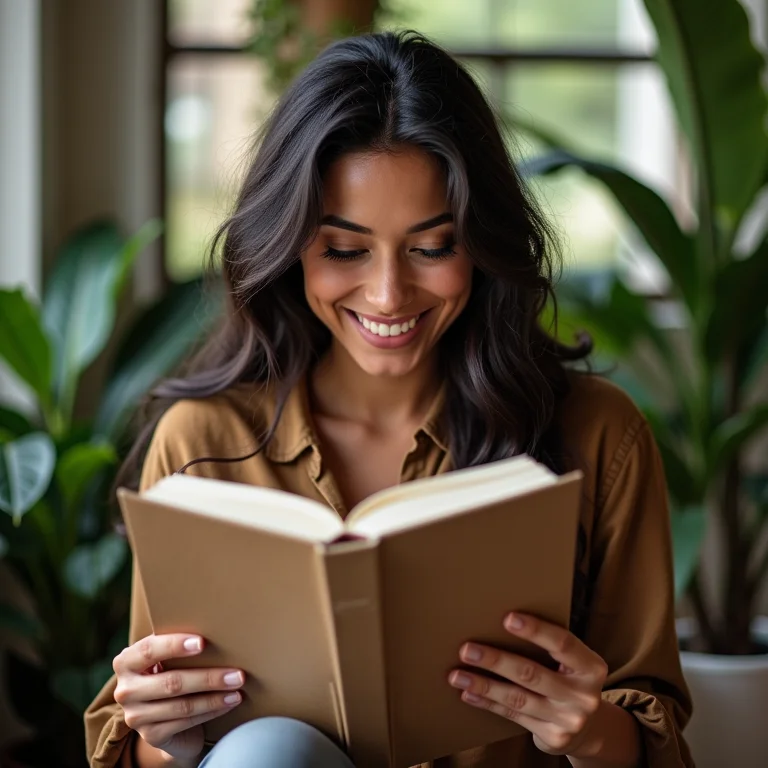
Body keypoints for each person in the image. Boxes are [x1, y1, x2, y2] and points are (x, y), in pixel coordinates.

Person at [85, 30, 693, 768]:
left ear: (481, 241)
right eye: (343, 250)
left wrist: (586, 727)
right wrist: (165, 736)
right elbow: (158, 744)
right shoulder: (201, 444)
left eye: (432, 247)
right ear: (289, 244)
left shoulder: (599, 436)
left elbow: (654, 739)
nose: (386, 294)